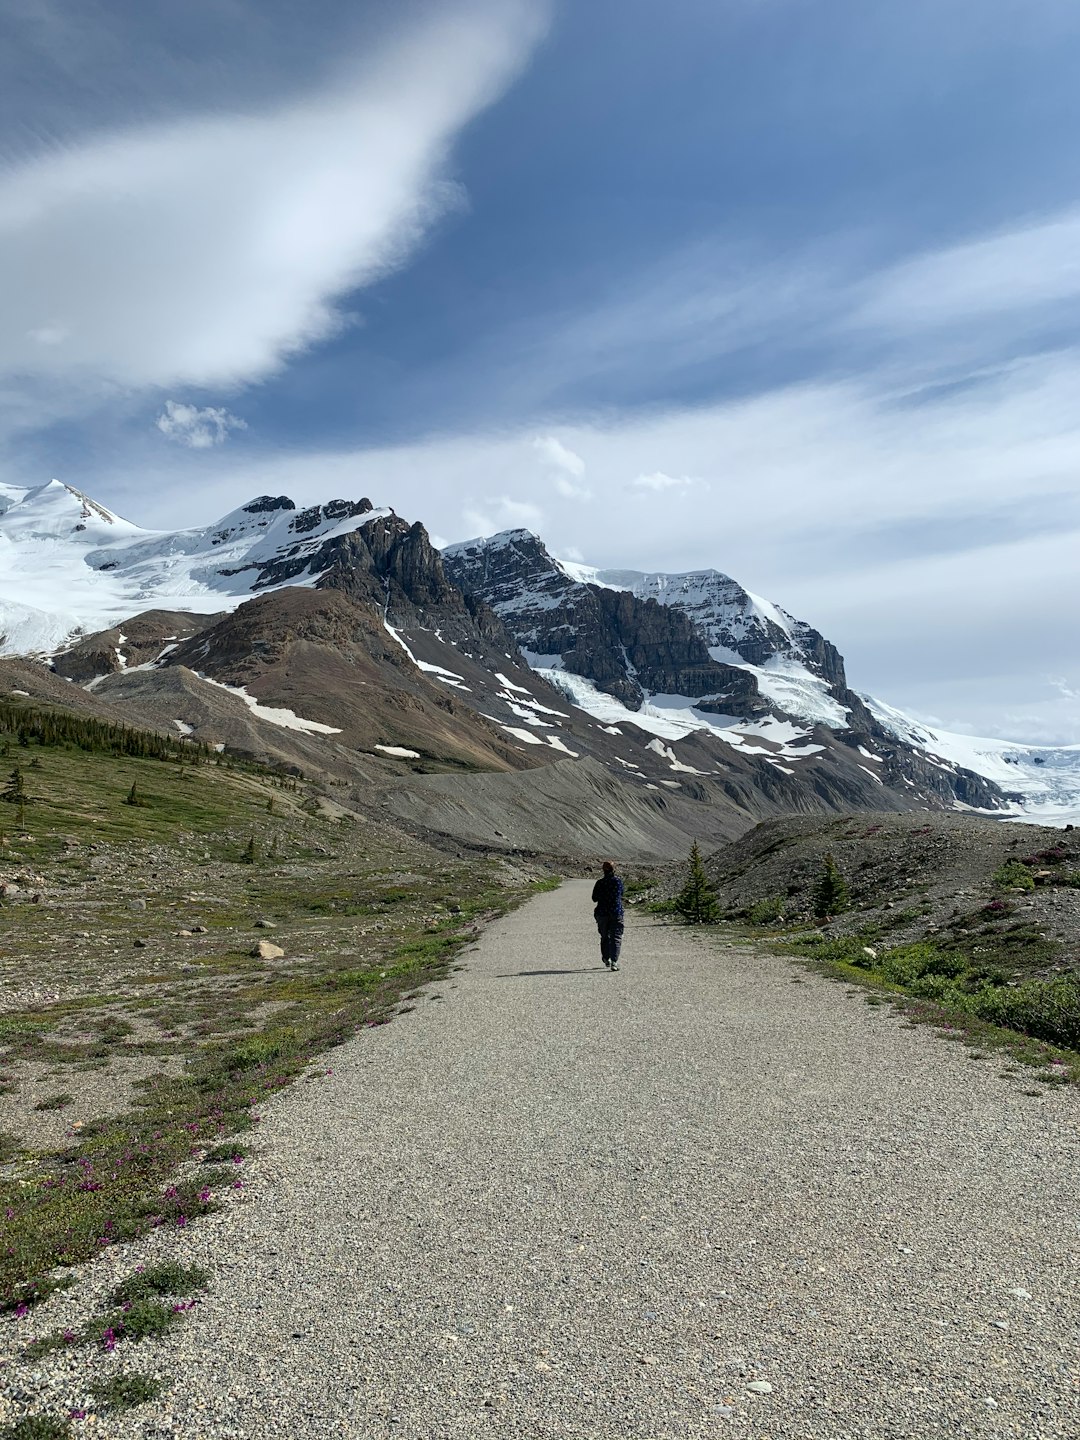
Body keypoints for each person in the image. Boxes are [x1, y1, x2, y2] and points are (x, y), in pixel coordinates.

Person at [591, 860, 624, 970]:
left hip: (602, 913)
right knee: (616, 936)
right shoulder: (618, 882)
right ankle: (614, 961)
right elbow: (621, 894)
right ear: (614, 870)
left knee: (605, 936)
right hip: (616, 912)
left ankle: (606, 958)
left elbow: (594, 898)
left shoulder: (600, 883)